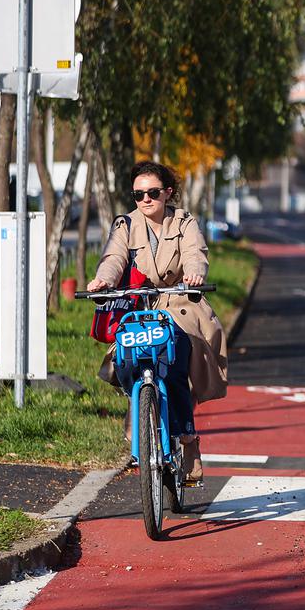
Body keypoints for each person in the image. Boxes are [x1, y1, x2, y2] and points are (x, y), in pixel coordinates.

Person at [87, 161, 228, 482]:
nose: (146, 200)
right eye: (138, 194)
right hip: (140, 302)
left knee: (175, 358)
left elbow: (196, 252)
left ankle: (188, 440)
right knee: (125, 357)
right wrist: (103, 281)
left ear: (167, 192)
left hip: (180, 301)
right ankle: (136, 400)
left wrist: (195, 274)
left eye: (152, 192)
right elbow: (114, 258)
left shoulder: (184, 222)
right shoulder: (125, 224)